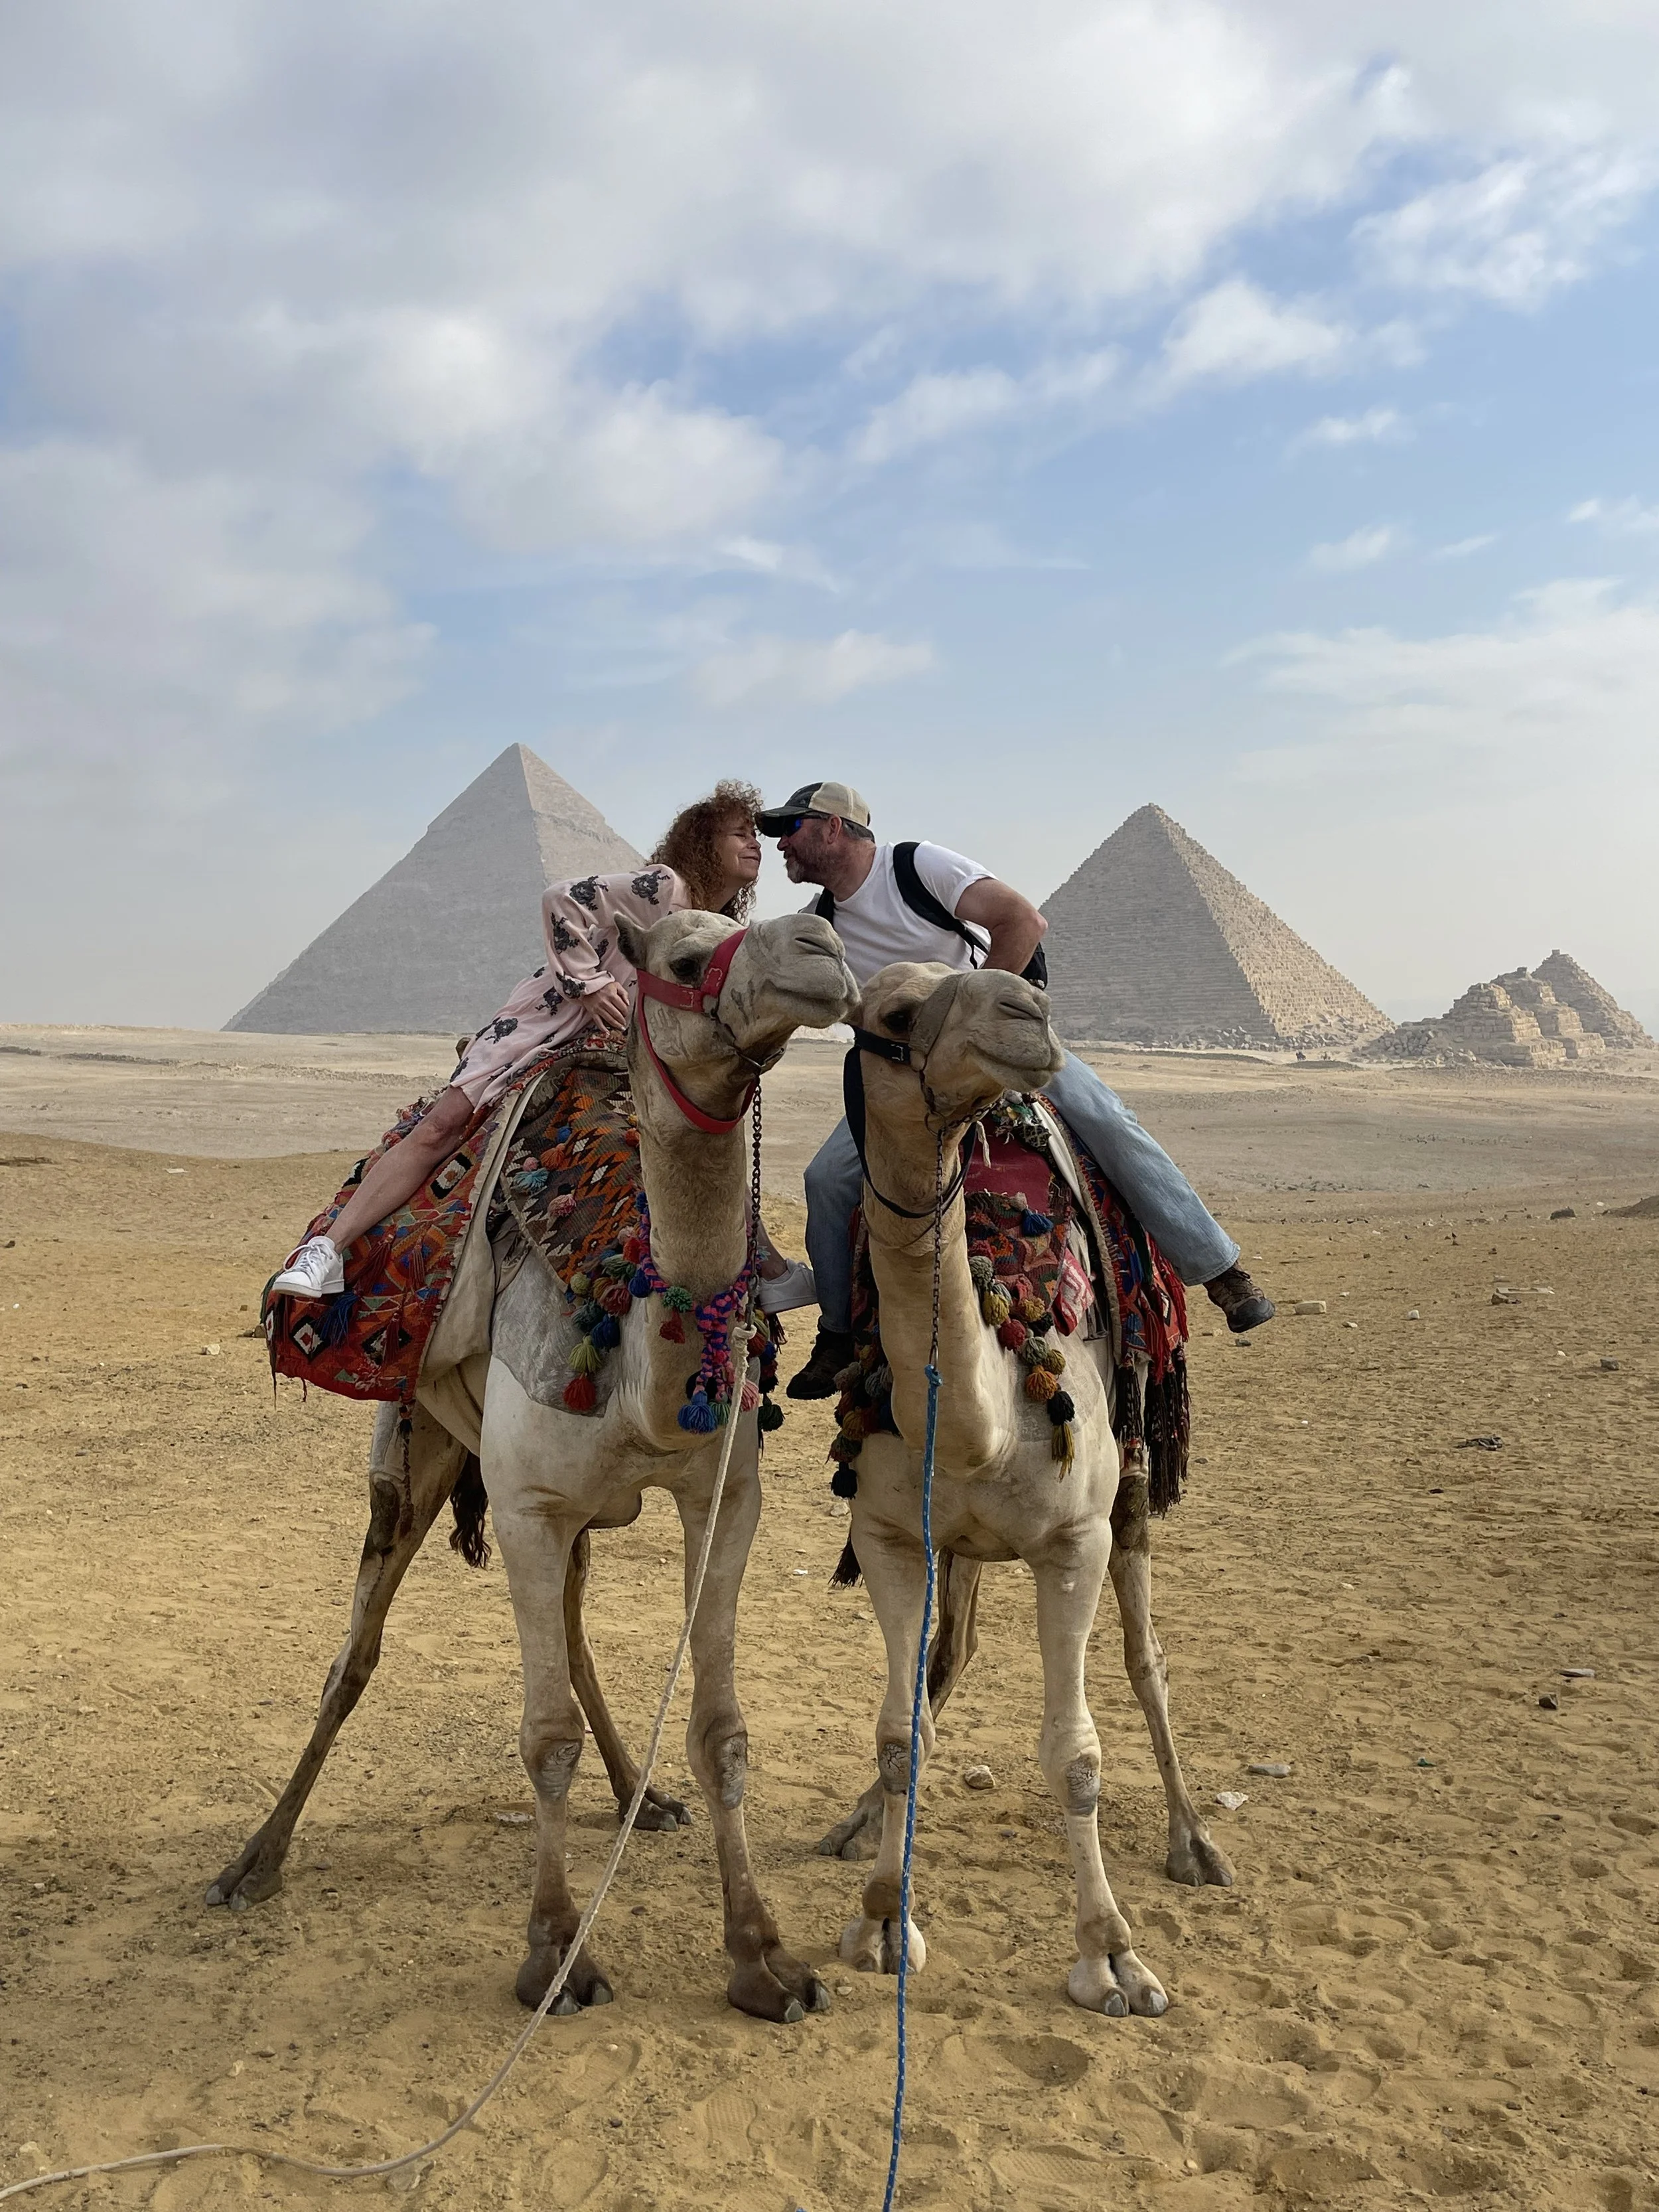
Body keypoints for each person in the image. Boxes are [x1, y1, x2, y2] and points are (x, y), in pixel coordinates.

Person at [751, 780, 1276, 1400]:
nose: (781, 843)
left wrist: (965, 1019)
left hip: (991, 1048)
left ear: (834, 827)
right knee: (826, 1180)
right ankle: (837, 1332)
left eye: (792, 828)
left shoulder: (915, 867)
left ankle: (1218, 1267)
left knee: (1106, 1119)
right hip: (911, 1076)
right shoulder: (824, 927)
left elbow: (1023, 920)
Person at [269, 780, 816, 1313]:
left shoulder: (718, 928)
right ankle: (326, 1251)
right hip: (546, 1025)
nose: (754, 844)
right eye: (739, 833)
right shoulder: (665, 887)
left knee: (696, 1148)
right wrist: (591, 983)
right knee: (442, 1125)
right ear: (704, 841)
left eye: (756, 837)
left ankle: (762, 1266)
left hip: (620, 1060)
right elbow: (562, 898)